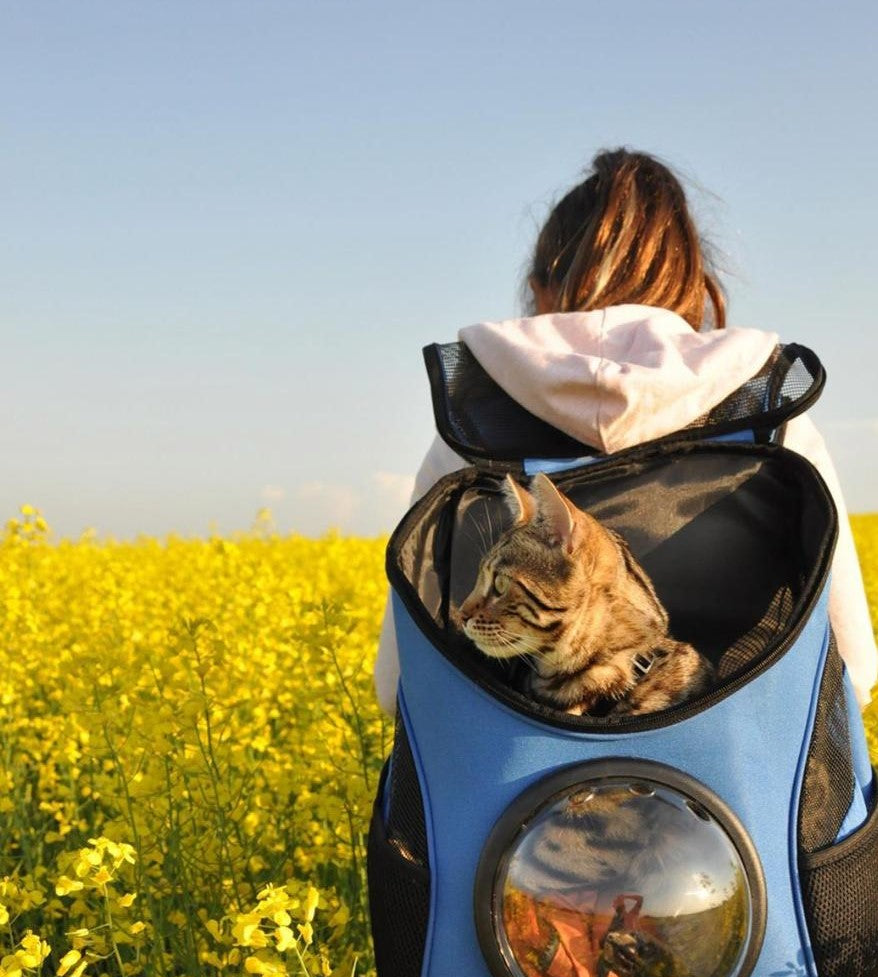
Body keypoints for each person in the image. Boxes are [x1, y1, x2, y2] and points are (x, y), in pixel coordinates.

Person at [374, 148, 877, 715]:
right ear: (697, 287)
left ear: (540, 290)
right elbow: (851, 674)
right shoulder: (767, 420)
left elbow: (399, 691)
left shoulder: (471, 432)